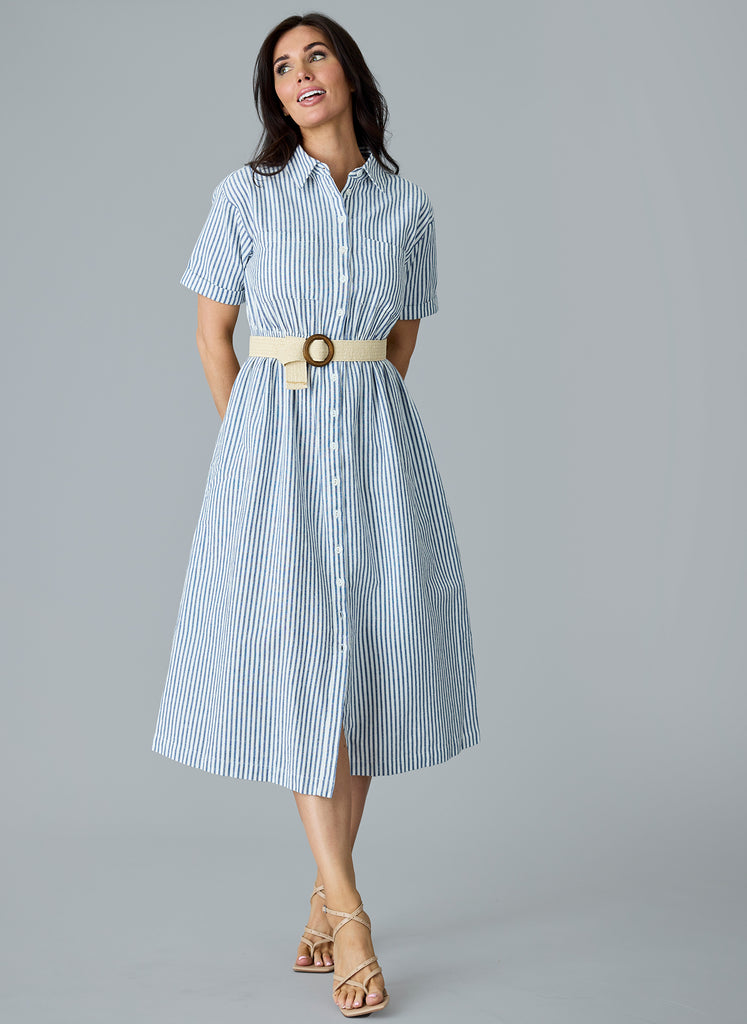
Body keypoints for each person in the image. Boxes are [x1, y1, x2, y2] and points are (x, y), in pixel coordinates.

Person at [151, 11, 480, 1017]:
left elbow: (399, 340)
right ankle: (349, 914)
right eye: (283, 65)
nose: (300, 74)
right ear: (275, 94)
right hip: (274, 450)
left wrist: (355, 413)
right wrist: (252, 445)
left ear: (350, 73)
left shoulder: (409, 207)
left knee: (364, 669)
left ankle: (322, 891)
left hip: (377, 450)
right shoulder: (246, 197)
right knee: (300, 668)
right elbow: (215, 331)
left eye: (316, 54)